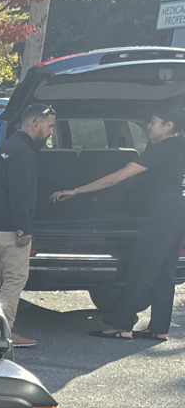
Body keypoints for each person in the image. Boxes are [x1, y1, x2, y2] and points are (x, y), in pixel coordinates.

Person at [53, 101, 185, 342]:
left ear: (168, 126)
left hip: (161, 214)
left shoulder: (161, 149)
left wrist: (76, 190)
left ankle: (122, 325)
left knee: (142, 268)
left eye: (154, 122)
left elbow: (116, 178)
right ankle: (159, 327)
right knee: (164, 271)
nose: (149, 126)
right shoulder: (180, 147)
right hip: (177, 212)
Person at [0, 104, 57, 348]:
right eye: (50, 126)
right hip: (11, 229)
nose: (51, 132)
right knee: (14, 280)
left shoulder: (6, 147)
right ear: (35, 124)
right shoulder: (24, 152)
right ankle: (5, 331)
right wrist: (24, 228)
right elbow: (21, 194)